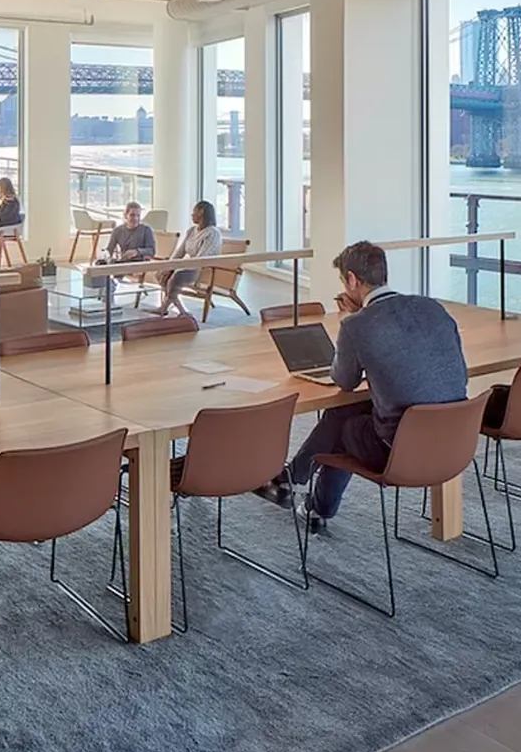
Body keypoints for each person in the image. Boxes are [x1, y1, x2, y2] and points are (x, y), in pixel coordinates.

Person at [256, 241, 468, 534]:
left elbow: (344, 381)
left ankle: (302, 493)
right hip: (458, 438)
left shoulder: (357, 326)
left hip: (399, 451)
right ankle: (297, 487)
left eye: (344, 280)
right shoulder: (431, 306)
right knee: (352, 411)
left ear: (352, 280)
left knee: (342, 423)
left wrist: (351, 321)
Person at [148, 200, 222, 318]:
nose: (191, 214)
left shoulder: (213, 233)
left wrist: (176, 268)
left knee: (175, 277)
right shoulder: (191, 231)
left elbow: (200, 259)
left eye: (194, 211)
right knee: (161, 274)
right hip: (189, 265)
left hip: (202, 269)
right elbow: (179, 252)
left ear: (201, 212)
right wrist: (168, 266)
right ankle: (181, 311)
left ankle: (166, 308)